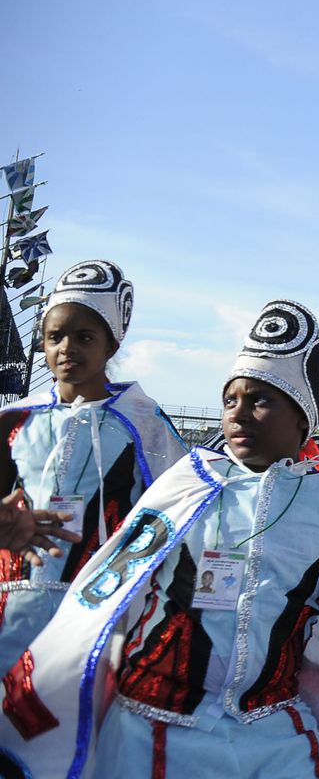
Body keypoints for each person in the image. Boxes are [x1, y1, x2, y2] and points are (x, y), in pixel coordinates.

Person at [0, 300, 319, 778]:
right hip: (153, 723)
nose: (239, 413)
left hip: (274, 732)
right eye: (230, 401)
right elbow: (114, 583)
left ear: (302, 420)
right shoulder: (190, 480)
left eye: (260, 400)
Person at [0, 260, 186, 669]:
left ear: (111, 346)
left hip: (100, 609)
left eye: (84, 337)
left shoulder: (144, 422)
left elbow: (176, 511)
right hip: (12, 602)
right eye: (55, 337)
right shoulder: (15, 420)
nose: (68, 348)